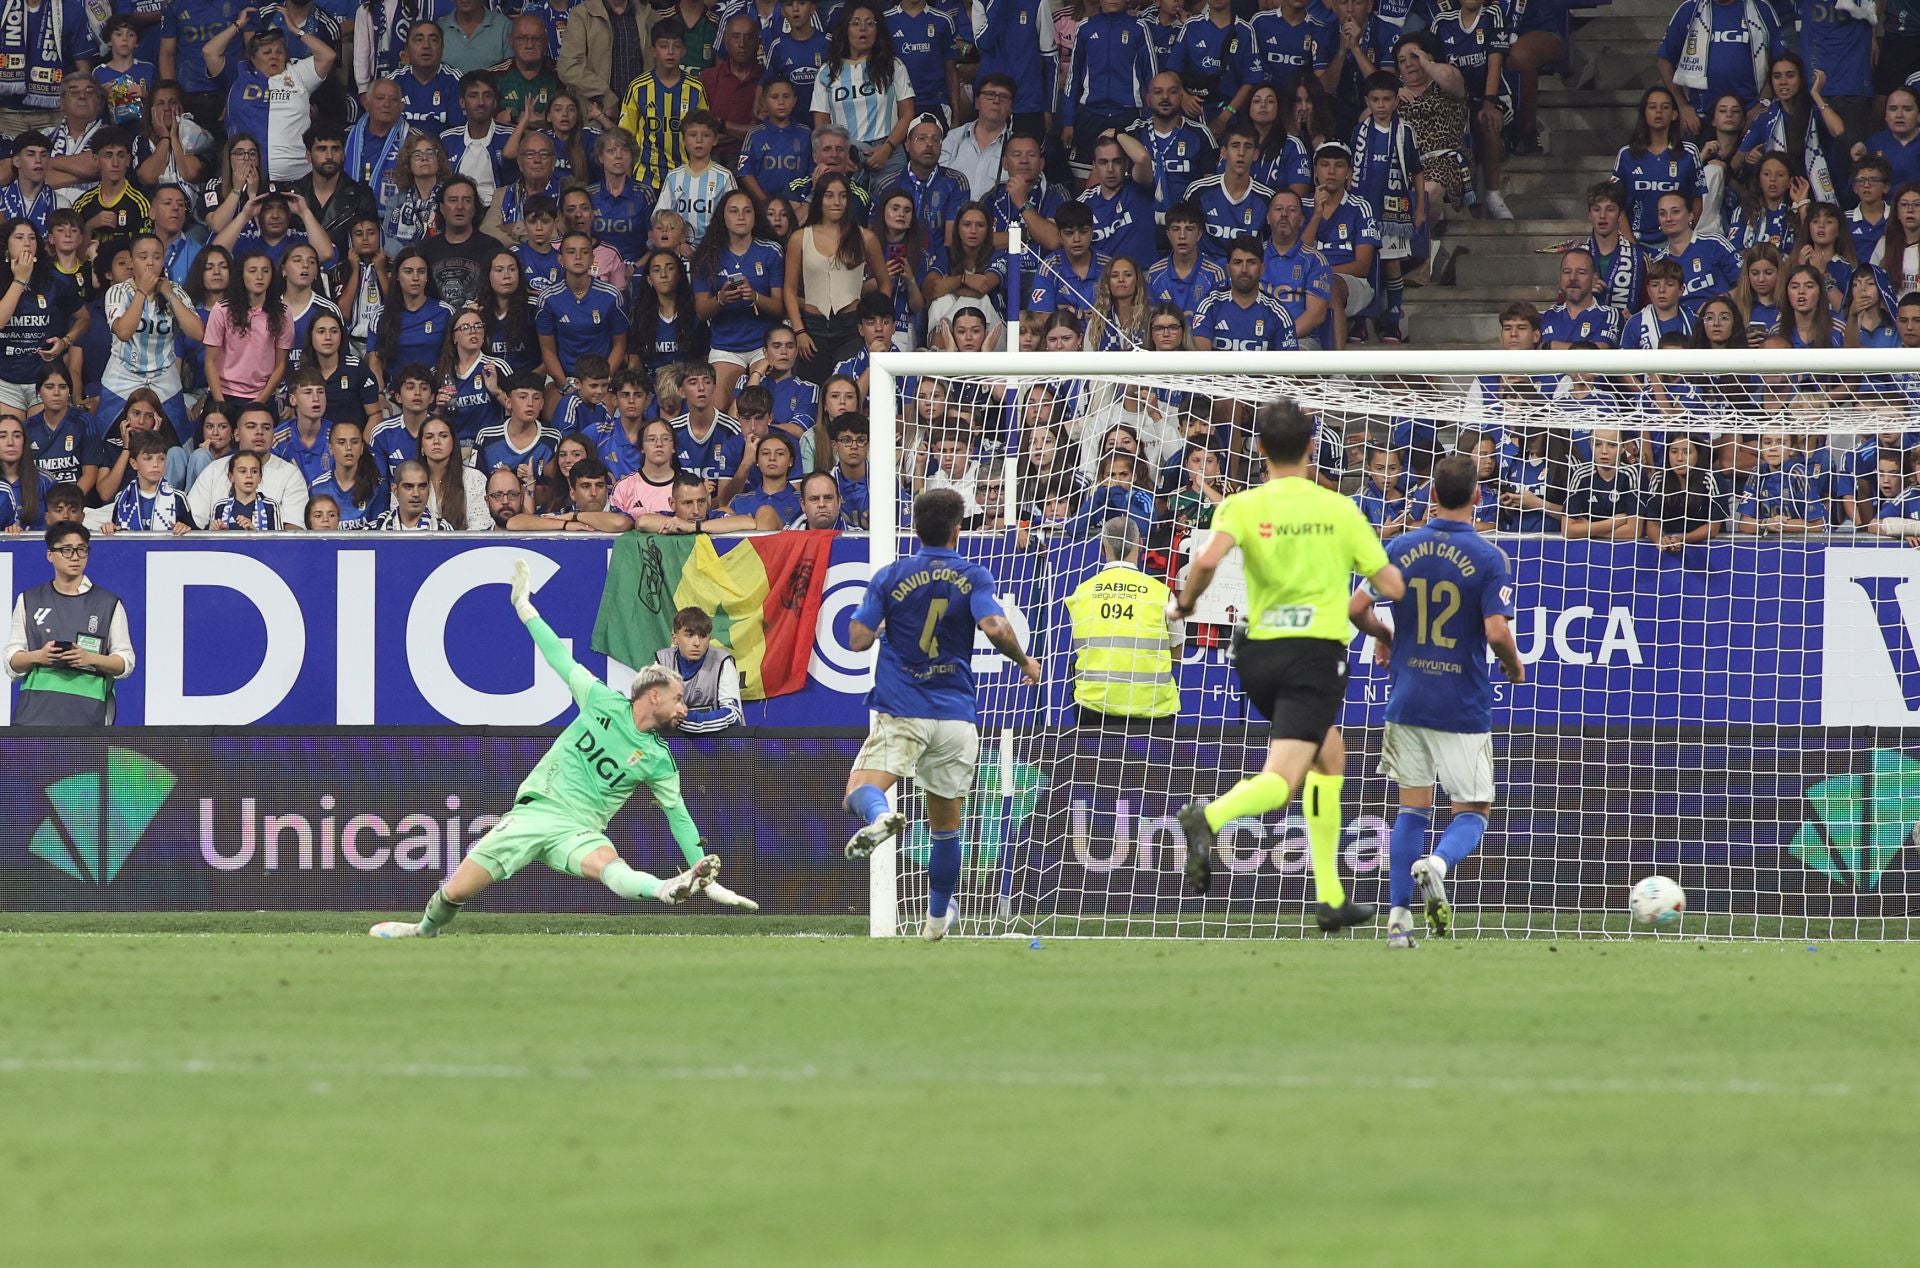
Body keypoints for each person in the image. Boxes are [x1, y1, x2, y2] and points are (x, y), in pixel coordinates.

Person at [371, 559, 761, 939]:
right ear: (654, 696)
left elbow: (679, 816)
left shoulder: (659, 759)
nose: (684, 707)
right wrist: (524, 608)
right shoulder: (601, 700)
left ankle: (665, 889)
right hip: (536, 812)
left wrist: (703, 877)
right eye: (678, 699)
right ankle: (422, 930)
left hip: (580, 830)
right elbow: (558, 655)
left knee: (610, 867)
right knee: (455, 892)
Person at [1170, 400, 1404, 930]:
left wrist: (1184, 605)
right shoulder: (1340, 509)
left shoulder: (1242, 505)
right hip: (1312, 655)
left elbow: (1206, 560)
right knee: (1285, 778)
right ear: (1312, 448)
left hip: (1254, 653)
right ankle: (1208, 816)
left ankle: (1330, 898)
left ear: (1259, 450)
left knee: (1330, 756)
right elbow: (1389, 585)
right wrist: (1390, 601)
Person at [841, 488, 1042, 941]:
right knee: (945, 828)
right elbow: (995, 626)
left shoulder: (890, 574)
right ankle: (936, 921)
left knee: (859, 792)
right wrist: (1025, 661)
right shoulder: (973, 575)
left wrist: (881, 625)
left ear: (915, 527)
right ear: (957, 530)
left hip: (903, 709)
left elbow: (856, 639)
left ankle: (879, 818)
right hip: (955, 716)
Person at [1347, 452, 1523, 949]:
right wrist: (1512, 666)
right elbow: (1495, 630)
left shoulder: (1400, 546)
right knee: (1473, 811)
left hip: (1407, 698)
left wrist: (1385, 635)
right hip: (1461, 704)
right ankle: (1439, 864)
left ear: (1429, 496)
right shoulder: (1490, 558)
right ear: (1478, 496)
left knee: (1411, 810)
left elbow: (1357, 608)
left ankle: (1399, 921)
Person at [4, 524, 134, 725]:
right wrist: (39, 656)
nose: (75, 557)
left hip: (88, 722)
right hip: (34, 720)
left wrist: (89, 657)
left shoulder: (108, 604)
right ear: (50, 555)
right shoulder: (29, 600)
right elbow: (11, 661)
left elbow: (125, 662)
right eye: (67, 550)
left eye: (81, 549)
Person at [1063, 515, 1181, 724]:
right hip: (1153, 708)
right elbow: (1177, 652)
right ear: (1141, 544)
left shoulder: (1081, 593)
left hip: (1095, 707)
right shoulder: (1162, 594)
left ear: (1101, 547)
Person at [203, 16, 338, 182]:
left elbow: (328, 56)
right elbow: (210, 52)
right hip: (248, 175)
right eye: (267, 52)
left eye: (279, 52)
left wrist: (296, 30)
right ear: (252, 58)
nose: (274, 56)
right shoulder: (238, 74)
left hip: (298, 177)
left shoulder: (297, 72)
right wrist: (238, 25)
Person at [654, 605, 745, 735]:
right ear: (675, 638)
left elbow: (733, 714)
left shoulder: (722, 662)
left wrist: (689, 720)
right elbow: (656, 709)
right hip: (676, 743)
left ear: (709, 638)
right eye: (689, 635)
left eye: (702, 636)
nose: (697, 643)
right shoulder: (662, 662)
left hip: (718, 743)